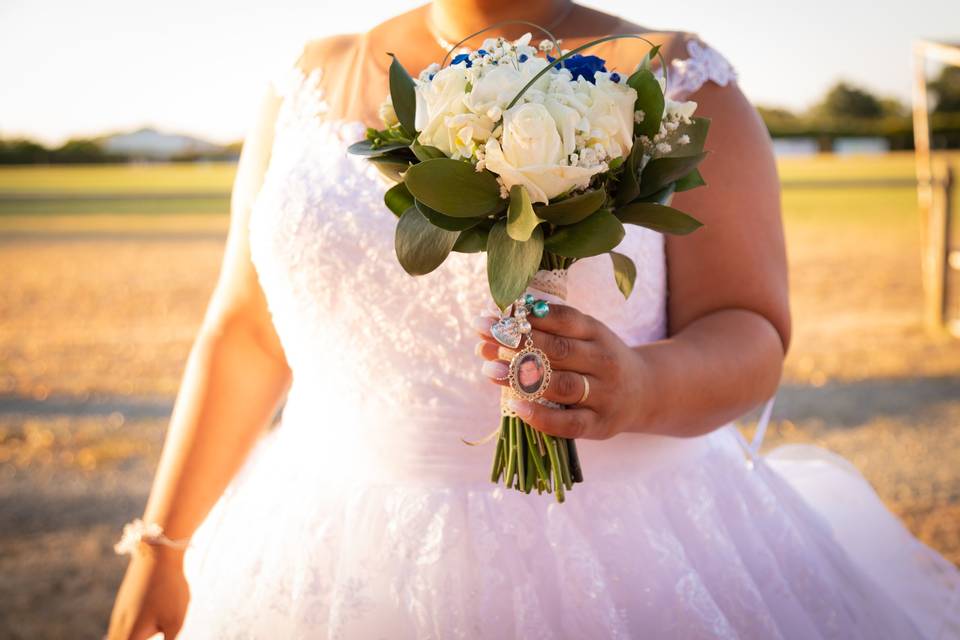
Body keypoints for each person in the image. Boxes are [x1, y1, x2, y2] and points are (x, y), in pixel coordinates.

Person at [107, 1, 960, 638]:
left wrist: (644, 385)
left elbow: (752, 328)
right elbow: (248, 334)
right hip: (322, 553)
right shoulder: (307, 79)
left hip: (630, 556)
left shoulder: (678, 78)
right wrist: (162, 546)